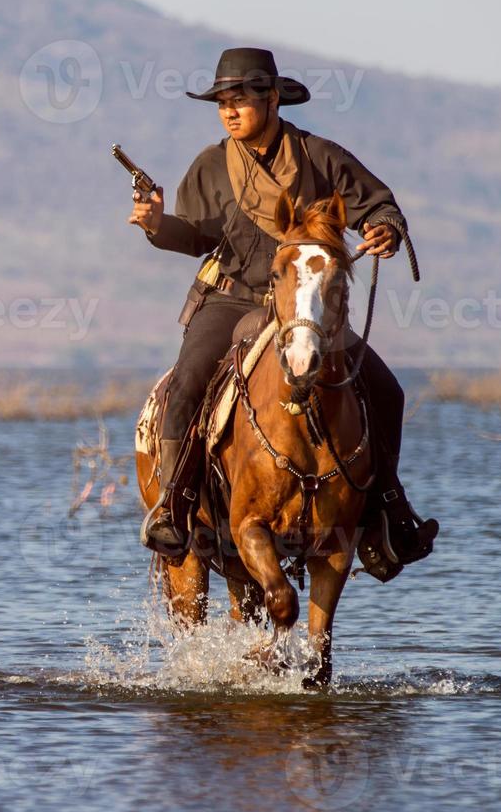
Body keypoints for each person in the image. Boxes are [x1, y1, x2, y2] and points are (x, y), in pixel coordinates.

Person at [129, 47, 437, 575]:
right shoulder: (211, 164)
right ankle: (175, 507)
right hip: (231, 299)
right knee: (186, 383)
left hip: (306, 305)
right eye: (222, 101)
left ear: (272, 99)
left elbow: (379, 203)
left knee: (386, 390)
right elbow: (197, 234)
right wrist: (159, 224)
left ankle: (389, 513)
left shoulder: (320, 156)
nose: (229, 110)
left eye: (241, 99)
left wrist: (384, 227)